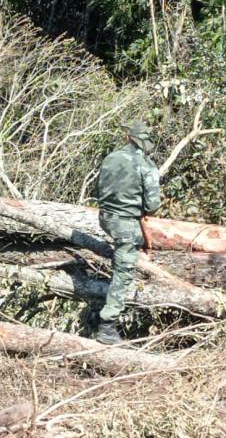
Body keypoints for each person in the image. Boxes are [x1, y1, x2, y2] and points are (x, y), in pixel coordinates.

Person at [93, 121, 160, 345]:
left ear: (127, 137)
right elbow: (152, 205)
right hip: (125, 224)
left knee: (127, 245)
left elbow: (99, 189)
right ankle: (107, 325)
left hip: (105, 218)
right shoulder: (146, 165)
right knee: (124, 271)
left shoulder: (110, 158)